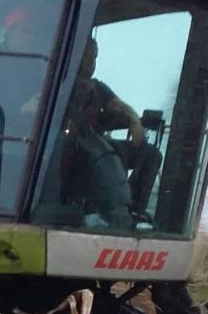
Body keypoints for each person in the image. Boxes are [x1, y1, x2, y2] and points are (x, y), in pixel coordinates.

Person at [59, 37, 161, 229]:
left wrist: (135, 121)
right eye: (88, 57)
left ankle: (130, 209)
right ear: (75, 56)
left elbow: (120, 106)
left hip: (99, 146)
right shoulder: (60, 84)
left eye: (95, 57)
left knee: (150, 154)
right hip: (70, 147)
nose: (92, 63)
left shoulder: (98, 88)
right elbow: (32, 107)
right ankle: (86, 206)